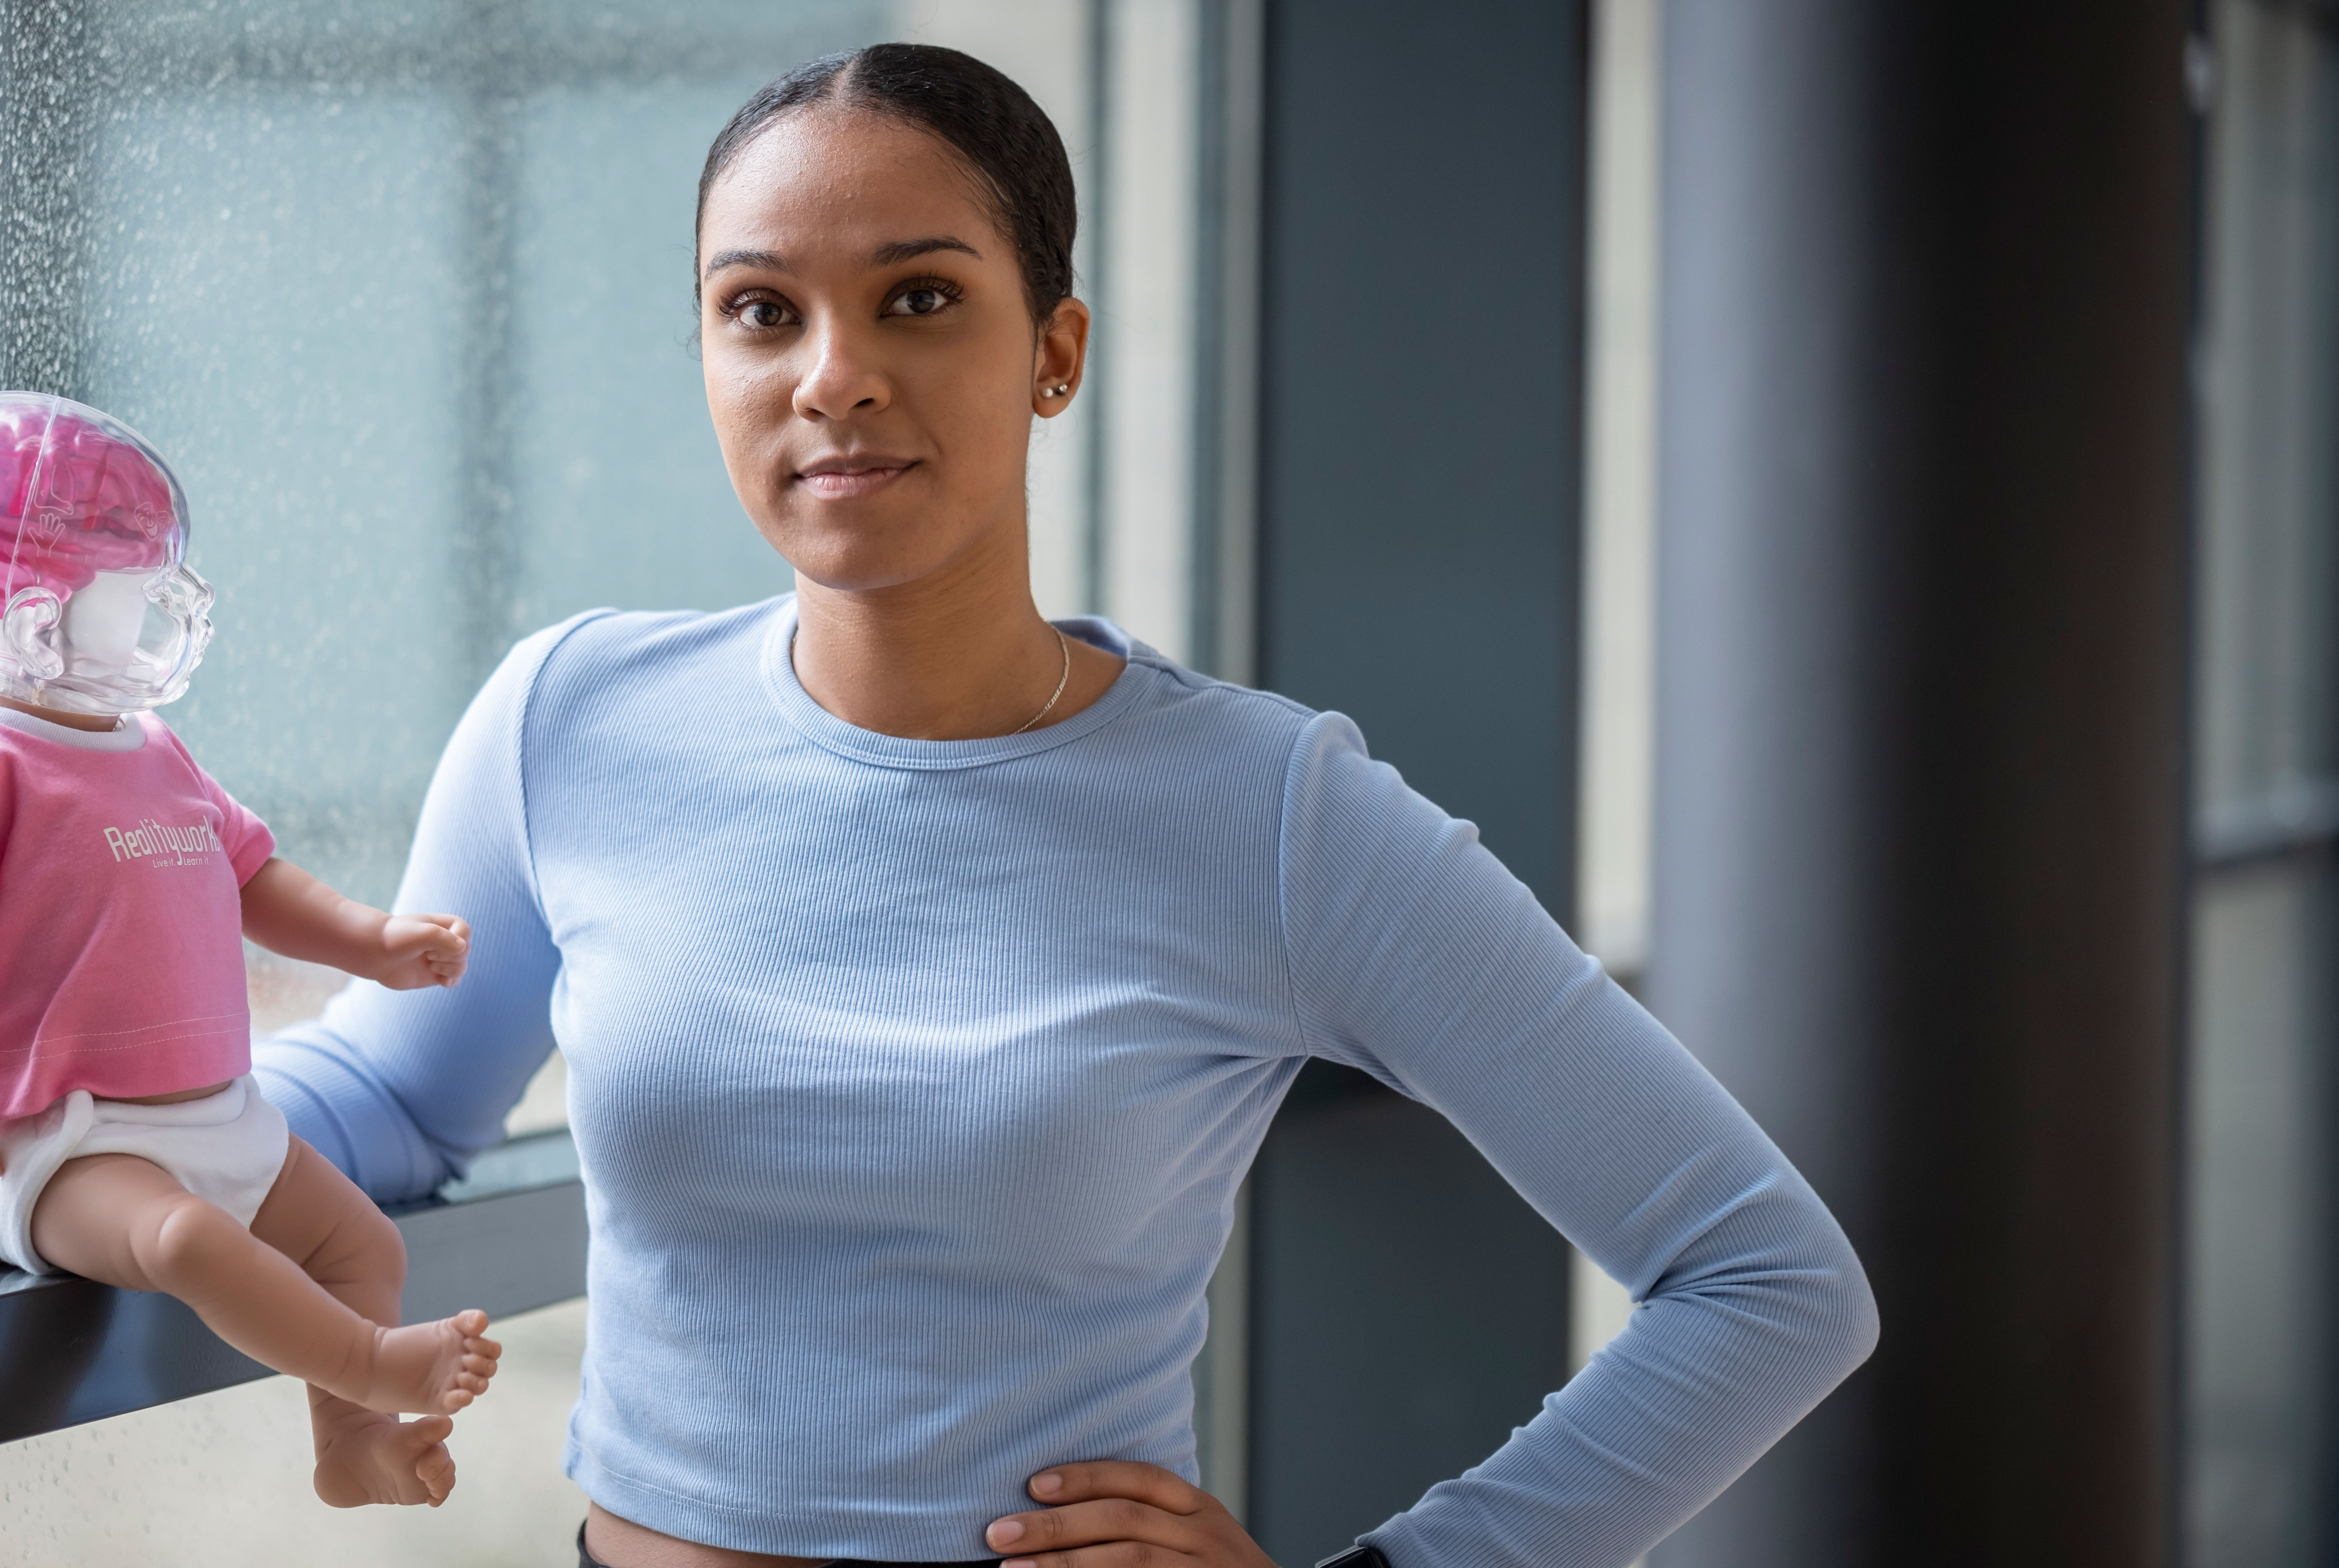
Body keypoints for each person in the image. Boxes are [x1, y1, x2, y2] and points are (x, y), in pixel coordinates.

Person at [255, 42, 1878, 1568]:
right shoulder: (572, 717)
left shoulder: (1272, 808)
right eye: (760, 310)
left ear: (1053, 351)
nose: (835, 377)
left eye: (918, 298)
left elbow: (1766, 1281)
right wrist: (42, 1121)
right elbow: (388, 1109)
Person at [0, 392, 498, 1511]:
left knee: (359, 1243)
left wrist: (370, 943)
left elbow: (252, 879)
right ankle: (371, 1368)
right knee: (187, 1244)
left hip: (223, 1118)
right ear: (35, 616)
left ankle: (353, 1444)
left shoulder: (155, 752)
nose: (160, 621)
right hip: (62, 1149)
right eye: (132, 596)